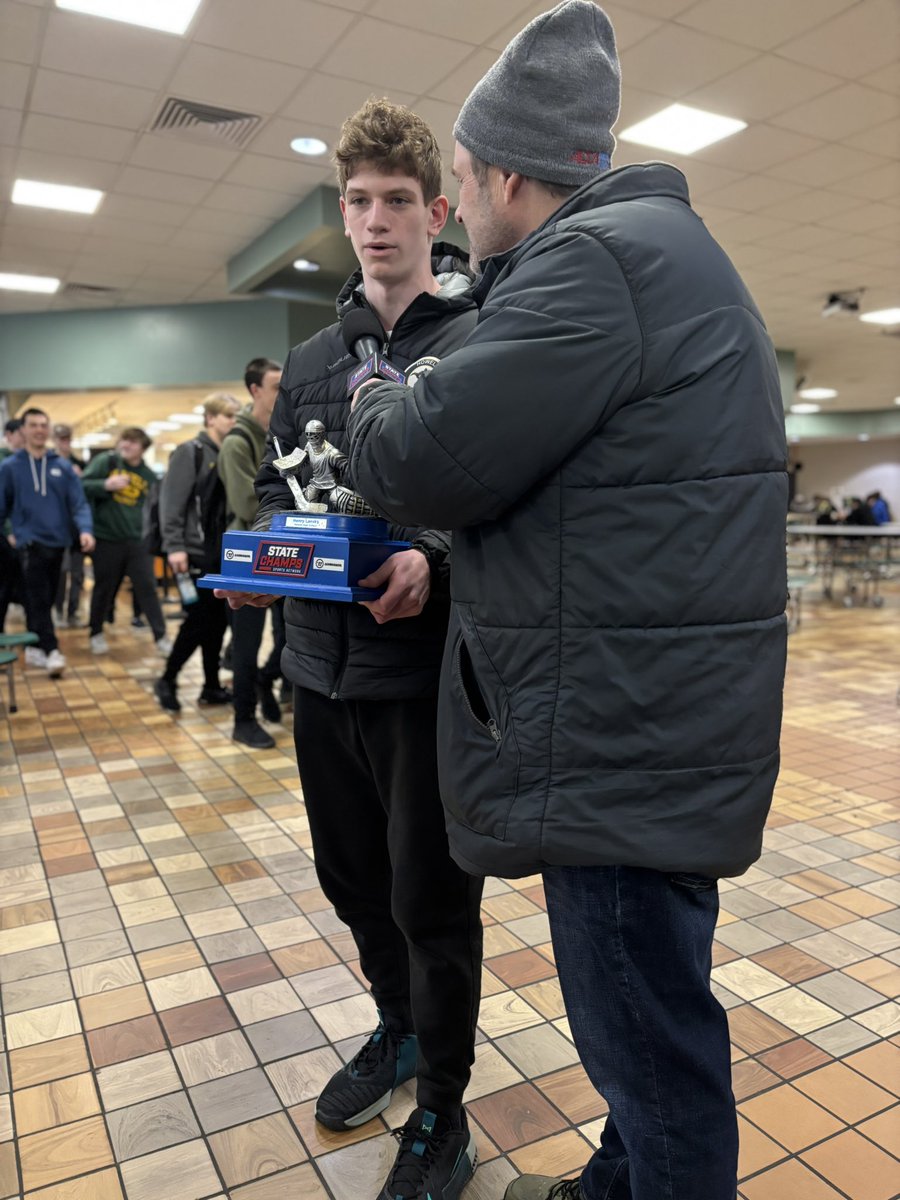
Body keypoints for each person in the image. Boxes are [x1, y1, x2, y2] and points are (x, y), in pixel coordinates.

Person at [346, 7, 788, 1200]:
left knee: (650, 1049)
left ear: (496, 173)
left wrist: (385, 388)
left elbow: (420, 458)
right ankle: (615, 1184)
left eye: (459, 174)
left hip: (616, 747)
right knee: (647, 1025)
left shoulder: (591, 266)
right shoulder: (658, 254)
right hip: (655, 724)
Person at [218, 99, 483, 1200]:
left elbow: (502, 512)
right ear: (344, 211)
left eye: (398, 203)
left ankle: (446, 1108)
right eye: (360, 203)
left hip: (421, 683)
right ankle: (398, 1025)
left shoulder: (481, 345)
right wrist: (260, 561)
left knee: (433, 895)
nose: (377, 222)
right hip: (320, 674)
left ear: (439, 209)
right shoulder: (312, 363)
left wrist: (435, 559)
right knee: (351, 879)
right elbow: (290, 503)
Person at [153, 393, 239, 713]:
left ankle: (211, 686)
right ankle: (168, 678)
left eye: (236, 415)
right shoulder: (191, 452)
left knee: (216, 622)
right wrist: (174, 546)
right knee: (199, 620)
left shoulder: (227, 453)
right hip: (192, 552)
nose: (233, 421)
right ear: (210, 419)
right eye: (228, 415)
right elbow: (172, 503)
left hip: (219, 552)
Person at [217, 357, 286, 749]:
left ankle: (267, 681)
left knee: (289, 634)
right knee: (245, 641)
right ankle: (243, 718)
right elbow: (246, 503)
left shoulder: (281, 435)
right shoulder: (236, 442)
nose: (282, 393)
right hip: (245, 555)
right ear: (255, 390)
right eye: (275, 386)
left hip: (279, 552)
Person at [0, 408, 95, 677]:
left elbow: (78, 503)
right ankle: (51, 648)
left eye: (44, 424)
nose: (39, 429)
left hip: (58, 544)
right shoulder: (10, 467)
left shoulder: (62, 467)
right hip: (28, 544)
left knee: (48, 597)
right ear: (24, 430)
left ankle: (35, 647)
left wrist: (85, 530)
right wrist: (9, 531)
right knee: (39, 598)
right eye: (34, 425)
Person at [81, 427, 172, 657]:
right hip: (107, 539)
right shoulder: (107, 462)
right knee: (104, 589)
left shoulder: (148, 476)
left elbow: (155, 508)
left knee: (147, 588)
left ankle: (161, 636)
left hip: (138, 542)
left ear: (142, 447)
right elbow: (81, 486)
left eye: (132, 442)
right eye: (124, 440)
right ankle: (95, 633)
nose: (126, 445)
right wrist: (105, 485)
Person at [51, 422, 87, 628]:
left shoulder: (79, 464)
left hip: (77, 530)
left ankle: (73, 611)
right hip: (58, 529)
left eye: (67, 438)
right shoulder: (48, 462)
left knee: (78, 574)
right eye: (61, 438)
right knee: (61, 574)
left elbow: (85, 497)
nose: (64, 442)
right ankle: (57, 610)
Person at [0, 419, 25, 631]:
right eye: (21, 433)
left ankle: (35, 643)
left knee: (29, 590)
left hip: (29, 535)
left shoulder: (30, 460)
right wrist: (9, 530)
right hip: (6, 536)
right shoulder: (4, 460)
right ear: (9, 434)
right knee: (4, 588)